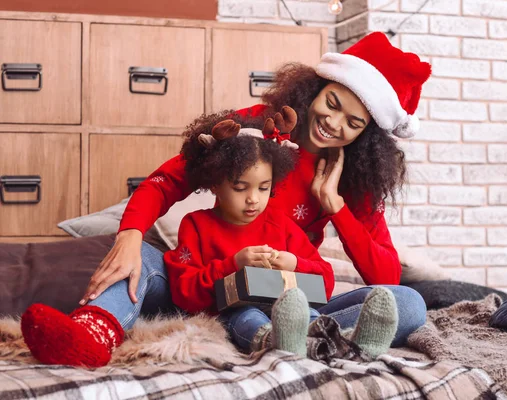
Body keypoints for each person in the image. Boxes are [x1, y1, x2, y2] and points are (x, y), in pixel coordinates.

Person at [25, 31, 430, 365]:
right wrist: (129, 234)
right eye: (332, 103)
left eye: (353, 122)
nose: (333, 123)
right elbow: (166, 181)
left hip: (287, 296)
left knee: (408, 303)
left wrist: (335, 208)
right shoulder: (254, 128)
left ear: (367, 134)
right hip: (210, 286)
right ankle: (91, 332)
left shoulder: (352, 178)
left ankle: (310, 337)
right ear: (317, 88)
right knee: (146, 258)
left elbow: (385, 277)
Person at [20, 113, 399, 366]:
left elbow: (325, 281)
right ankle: (93, 331)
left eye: (264, 188)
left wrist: (294, 263)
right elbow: (185, 290)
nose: (253, 198)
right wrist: (233, 266)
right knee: (247, 315)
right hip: (241, 310)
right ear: (215, 184)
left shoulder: (282, 225)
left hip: (299, 306)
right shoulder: (196, 225)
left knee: (408, 301)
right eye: (240, 187)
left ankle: (333, 340)